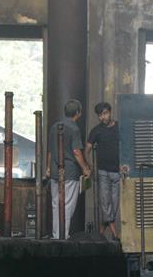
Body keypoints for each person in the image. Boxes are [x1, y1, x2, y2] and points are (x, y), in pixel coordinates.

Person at [46, 99, 91, 239]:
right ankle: (63, 235)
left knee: (56, 204)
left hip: (54, 172)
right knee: (67, 205)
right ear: (78, 113)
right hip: (70, 172)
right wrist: (85, 168)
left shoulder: (54, 127)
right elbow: (77, 152)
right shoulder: (74, 129)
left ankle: (56, 235)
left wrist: (48, 168)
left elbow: (50, 151)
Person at [86, 102, 124, 240]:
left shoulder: (120, 127)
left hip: (117, 172)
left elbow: (126, 146)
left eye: (105, 113)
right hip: (102, 172)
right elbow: (87, 149)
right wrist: (88, 165)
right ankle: (115, 234)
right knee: (104, 203)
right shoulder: (96, 131)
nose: (103, 117)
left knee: (114, 205)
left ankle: (101, 232)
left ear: (110, 112)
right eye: (100, 115)